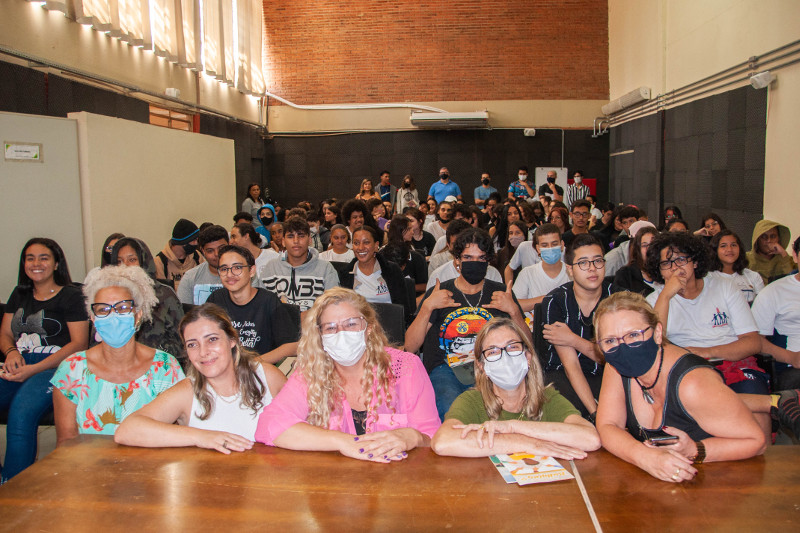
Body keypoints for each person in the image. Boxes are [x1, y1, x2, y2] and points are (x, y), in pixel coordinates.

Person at [594, 292, 767, 482]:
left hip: (719, 481)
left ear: (658, 333)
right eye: (610, 340)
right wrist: (644, 457)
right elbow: (608, 425)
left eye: (634, 335)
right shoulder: (616, 366)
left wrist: (695, 450)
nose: (622, 347)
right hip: (663, 485)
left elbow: (756, 442)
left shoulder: (693, 383)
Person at [254, 288, 440, 462]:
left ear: (368, 328)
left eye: (351, 324)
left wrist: (414, 437)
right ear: (320, 335)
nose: (341, 333)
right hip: (336, 483)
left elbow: (432, 438)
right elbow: (269, 426)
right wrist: (343, 442)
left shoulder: (405, 367)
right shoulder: (311, 373)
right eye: (330, 328)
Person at [115, 303, 287, 451]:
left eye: (212, 340)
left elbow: (307, 423)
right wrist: (202, 437)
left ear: (232, 340)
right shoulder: (187, 391)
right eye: (192, 344)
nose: (203, 352)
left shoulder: (266, 376)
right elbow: (127, 430)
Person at [406, 228, 530, 420]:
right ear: (457, 261)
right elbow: (410, 346)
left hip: (493, 366)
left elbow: (528, 345)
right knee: (452, 412)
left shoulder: (500, 293)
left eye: (481, 258)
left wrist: (513, 311)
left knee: (500, 413)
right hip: (446, 368)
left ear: (488, 261)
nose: (474, 263)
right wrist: (427, 307)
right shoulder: (440, 293)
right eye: (468, 257)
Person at [50, 265, 184, 443]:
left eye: (122, 307)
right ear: (93, 319)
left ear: (138, 315)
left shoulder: (166, 368)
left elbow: (176, 435)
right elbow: (66, 444)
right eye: (103, 310)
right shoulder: (71, 371)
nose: (113, 316)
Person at [432, 317, 599, 458]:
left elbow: (590, 438)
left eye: (512, 347)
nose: (504, 356)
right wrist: (525, 443)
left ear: (527, 356)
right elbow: (442, 441)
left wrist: (512, 427)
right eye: (492, 351)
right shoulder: (472, 401)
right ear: (481, 366)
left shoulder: (546, 397)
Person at [0, 238, 90, 482]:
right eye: (30, 258)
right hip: (19, 362)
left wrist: (33, 369)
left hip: (57, 367)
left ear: (56, 262)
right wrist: (11, 353)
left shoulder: (72, 296)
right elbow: (6, 333)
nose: (36, 263)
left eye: (44, 257)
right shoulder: (20, 294)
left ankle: (14, 485)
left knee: (21, 412)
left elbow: (79, 345)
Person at [645, 232, 767, 394]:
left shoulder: (725, 287)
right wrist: (666, 295)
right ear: (660, 271)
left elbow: (753, 343)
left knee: (753, 397)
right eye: (666, 263)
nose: (675, 267)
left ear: (695, 262)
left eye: (681, 260)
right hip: (687, 369)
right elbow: (654, 347)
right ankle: (768, 404)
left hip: (733, 363)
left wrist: (708, 352)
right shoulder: (654, 300)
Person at [542, 234, 614, 419]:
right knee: (574, 413)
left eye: (597, 261)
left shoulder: (619, 298)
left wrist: (573, 339)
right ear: (570, 270)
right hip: (564, 374)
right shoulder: (555, 301)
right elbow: (571, 365)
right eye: (583, 263)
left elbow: (617, 358)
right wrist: (595, 412)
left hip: (611, 371)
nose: (592, 268)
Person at [207, 246, 299, 363]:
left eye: (237, 268)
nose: (230, 274)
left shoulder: (268, 301)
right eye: (224, 269)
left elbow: (292, 346)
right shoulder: (216, 299)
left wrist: (252, 363)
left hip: (259, 369)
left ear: (251, 271)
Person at [111, 237, 184, 358]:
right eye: (119, 262)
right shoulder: (108, 297)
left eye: (132, 260)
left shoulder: (164, 295)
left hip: (159, 364)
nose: (125, 266)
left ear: (144, 262)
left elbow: (182, 340)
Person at [259, 216, 340, 312]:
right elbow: (261, 307)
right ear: (283, 241)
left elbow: (334, 307)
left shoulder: (326, 269)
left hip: (313, 324)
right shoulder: (270, 268)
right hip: (278, 325)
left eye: (301, 236)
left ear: (309, 240)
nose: (296, 241)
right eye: (290, 236)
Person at [334, 226, 413, 321]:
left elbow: (404, 310)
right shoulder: (345, 273)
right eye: (356, 243)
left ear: (376, 245)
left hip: (388, 325)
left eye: (366, 242)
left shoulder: (392, 270)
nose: (360, 247)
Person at [752, 237, 800, 389]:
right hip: (794, 367)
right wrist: (792, 358)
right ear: (795, 255)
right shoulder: (774, 292)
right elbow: (753, 340)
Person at [513, 223, 570, 323]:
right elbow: (515, 304)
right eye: (545, 245)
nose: (550, 248)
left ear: (562, 245)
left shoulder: (572, 273)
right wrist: (545, 299)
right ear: (538, 248)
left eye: (554, 244)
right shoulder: (527, 273)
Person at [177, 225, 230, 305]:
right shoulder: (190, 278)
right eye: (210, 251)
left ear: (229, 245)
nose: (217, 254)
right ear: (202, 251)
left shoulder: (241, 274)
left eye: (221, 248)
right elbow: (183, 313)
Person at [707, 230, 764, 304]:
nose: (729, 249)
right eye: (723, 246)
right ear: (715, 250)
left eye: (733, 245)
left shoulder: (753, 276)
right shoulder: (708, 278)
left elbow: (763, 306)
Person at [380, 215, 428, 294]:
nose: (412, 232)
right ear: (399, 230)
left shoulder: (415, 255)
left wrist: (404, 286)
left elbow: (425, 285)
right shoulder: (383, 253)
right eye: (409, 229)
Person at [153, 218, 202, 290]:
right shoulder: (160, 262)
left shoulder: (197, 256)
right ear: (183, 242)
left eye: (197, 240)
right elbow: (161, 293)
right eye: (193, 240)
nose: (196, 243)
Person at [613, 226, 661, 296]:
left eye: (652, 244)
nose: (649, 249)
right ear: (638, 250)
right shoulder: (625, 274)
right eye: (644, 245)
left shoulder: (666, 271)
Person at [746, 219, 797, 285]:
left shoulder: (789, 260)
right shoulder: (745, 259)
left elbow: (791, 282)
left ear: (778, 239)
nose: (769, 240)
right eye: (764, 237)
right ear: (757, 239)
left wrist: (783, 254)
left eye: (773, 236)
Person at [494, 221, 527, 285]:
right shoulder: (503, 253)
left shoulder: (530, 252)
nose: (513, 236)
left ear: (524, 235)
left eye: (517, 233)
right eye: (511, 233)